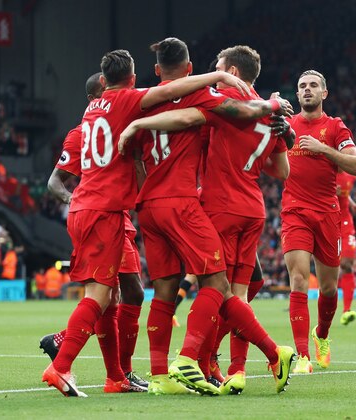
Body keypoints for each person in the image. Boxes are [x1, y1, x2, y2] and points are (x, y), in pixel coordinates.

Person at [41, 48, 250, 398]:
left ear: (103, 82)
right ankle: (61, 364)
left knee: (123, 293)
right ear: (133, 80)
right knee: (100, 295)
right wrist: (220, 77)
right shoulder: (127, 103)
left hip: (102, 211)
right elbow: (168, 91)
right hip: (103, 210)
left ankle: (115, 376)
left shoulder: (90, 113)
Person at [118, 38, 295, 396]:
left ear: (155, 71)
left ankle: (165, 375)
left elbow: (143, 148)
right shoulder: (223, 102)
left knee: (168, 290)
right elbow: (281, 168)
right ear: (189, 69)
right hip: (216, 204)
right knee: (225, 288)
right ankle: (227, 362)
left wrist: (136, 129)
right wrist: (276, 113)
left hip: (154, 203)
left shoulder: (138, 101)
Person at [38, 72, 148, 392]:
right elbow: (54, 182)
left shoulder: (117, 121)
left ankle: (117, 375)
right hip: (99, 215)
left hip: (115, 216)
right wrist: (77, 201)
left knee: (121, 294)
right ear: (96, 97)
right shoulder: (80, 133)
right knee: (108, 294)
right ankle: (111, 372)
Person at [196, 45, 293, 394]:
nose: (215, 73)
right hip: (252, 206)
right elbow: (282, 170)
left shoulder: (227, 99)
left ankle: (269, 353)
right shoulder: (272, 116)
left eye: (219, 68)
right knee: (237, 296)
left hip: (220, 204)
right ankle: (234, 370)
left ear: (233, 73)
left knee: (212, 291)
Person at [281, 70, 356, 374]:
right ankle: (302, 355)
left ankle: (322, 335)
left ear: (324, 93)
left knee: (328, 290)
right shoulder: (287, 126)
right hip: (294, 211)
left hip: (329, 215)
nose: (306, 90)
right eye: (301, 86)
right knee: (299, 279)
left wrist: (323, 149)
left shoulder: (335, 127)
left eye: (313, 85)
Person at [336, 171, 356, 326]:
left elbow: (346, 193)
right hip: (329, 220)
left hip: (346, 223)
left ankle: (347, 310)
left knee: (347, 264)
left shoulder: (350, 175)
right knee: (329, 269)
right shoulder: (325, 171)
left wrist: (351, 204)